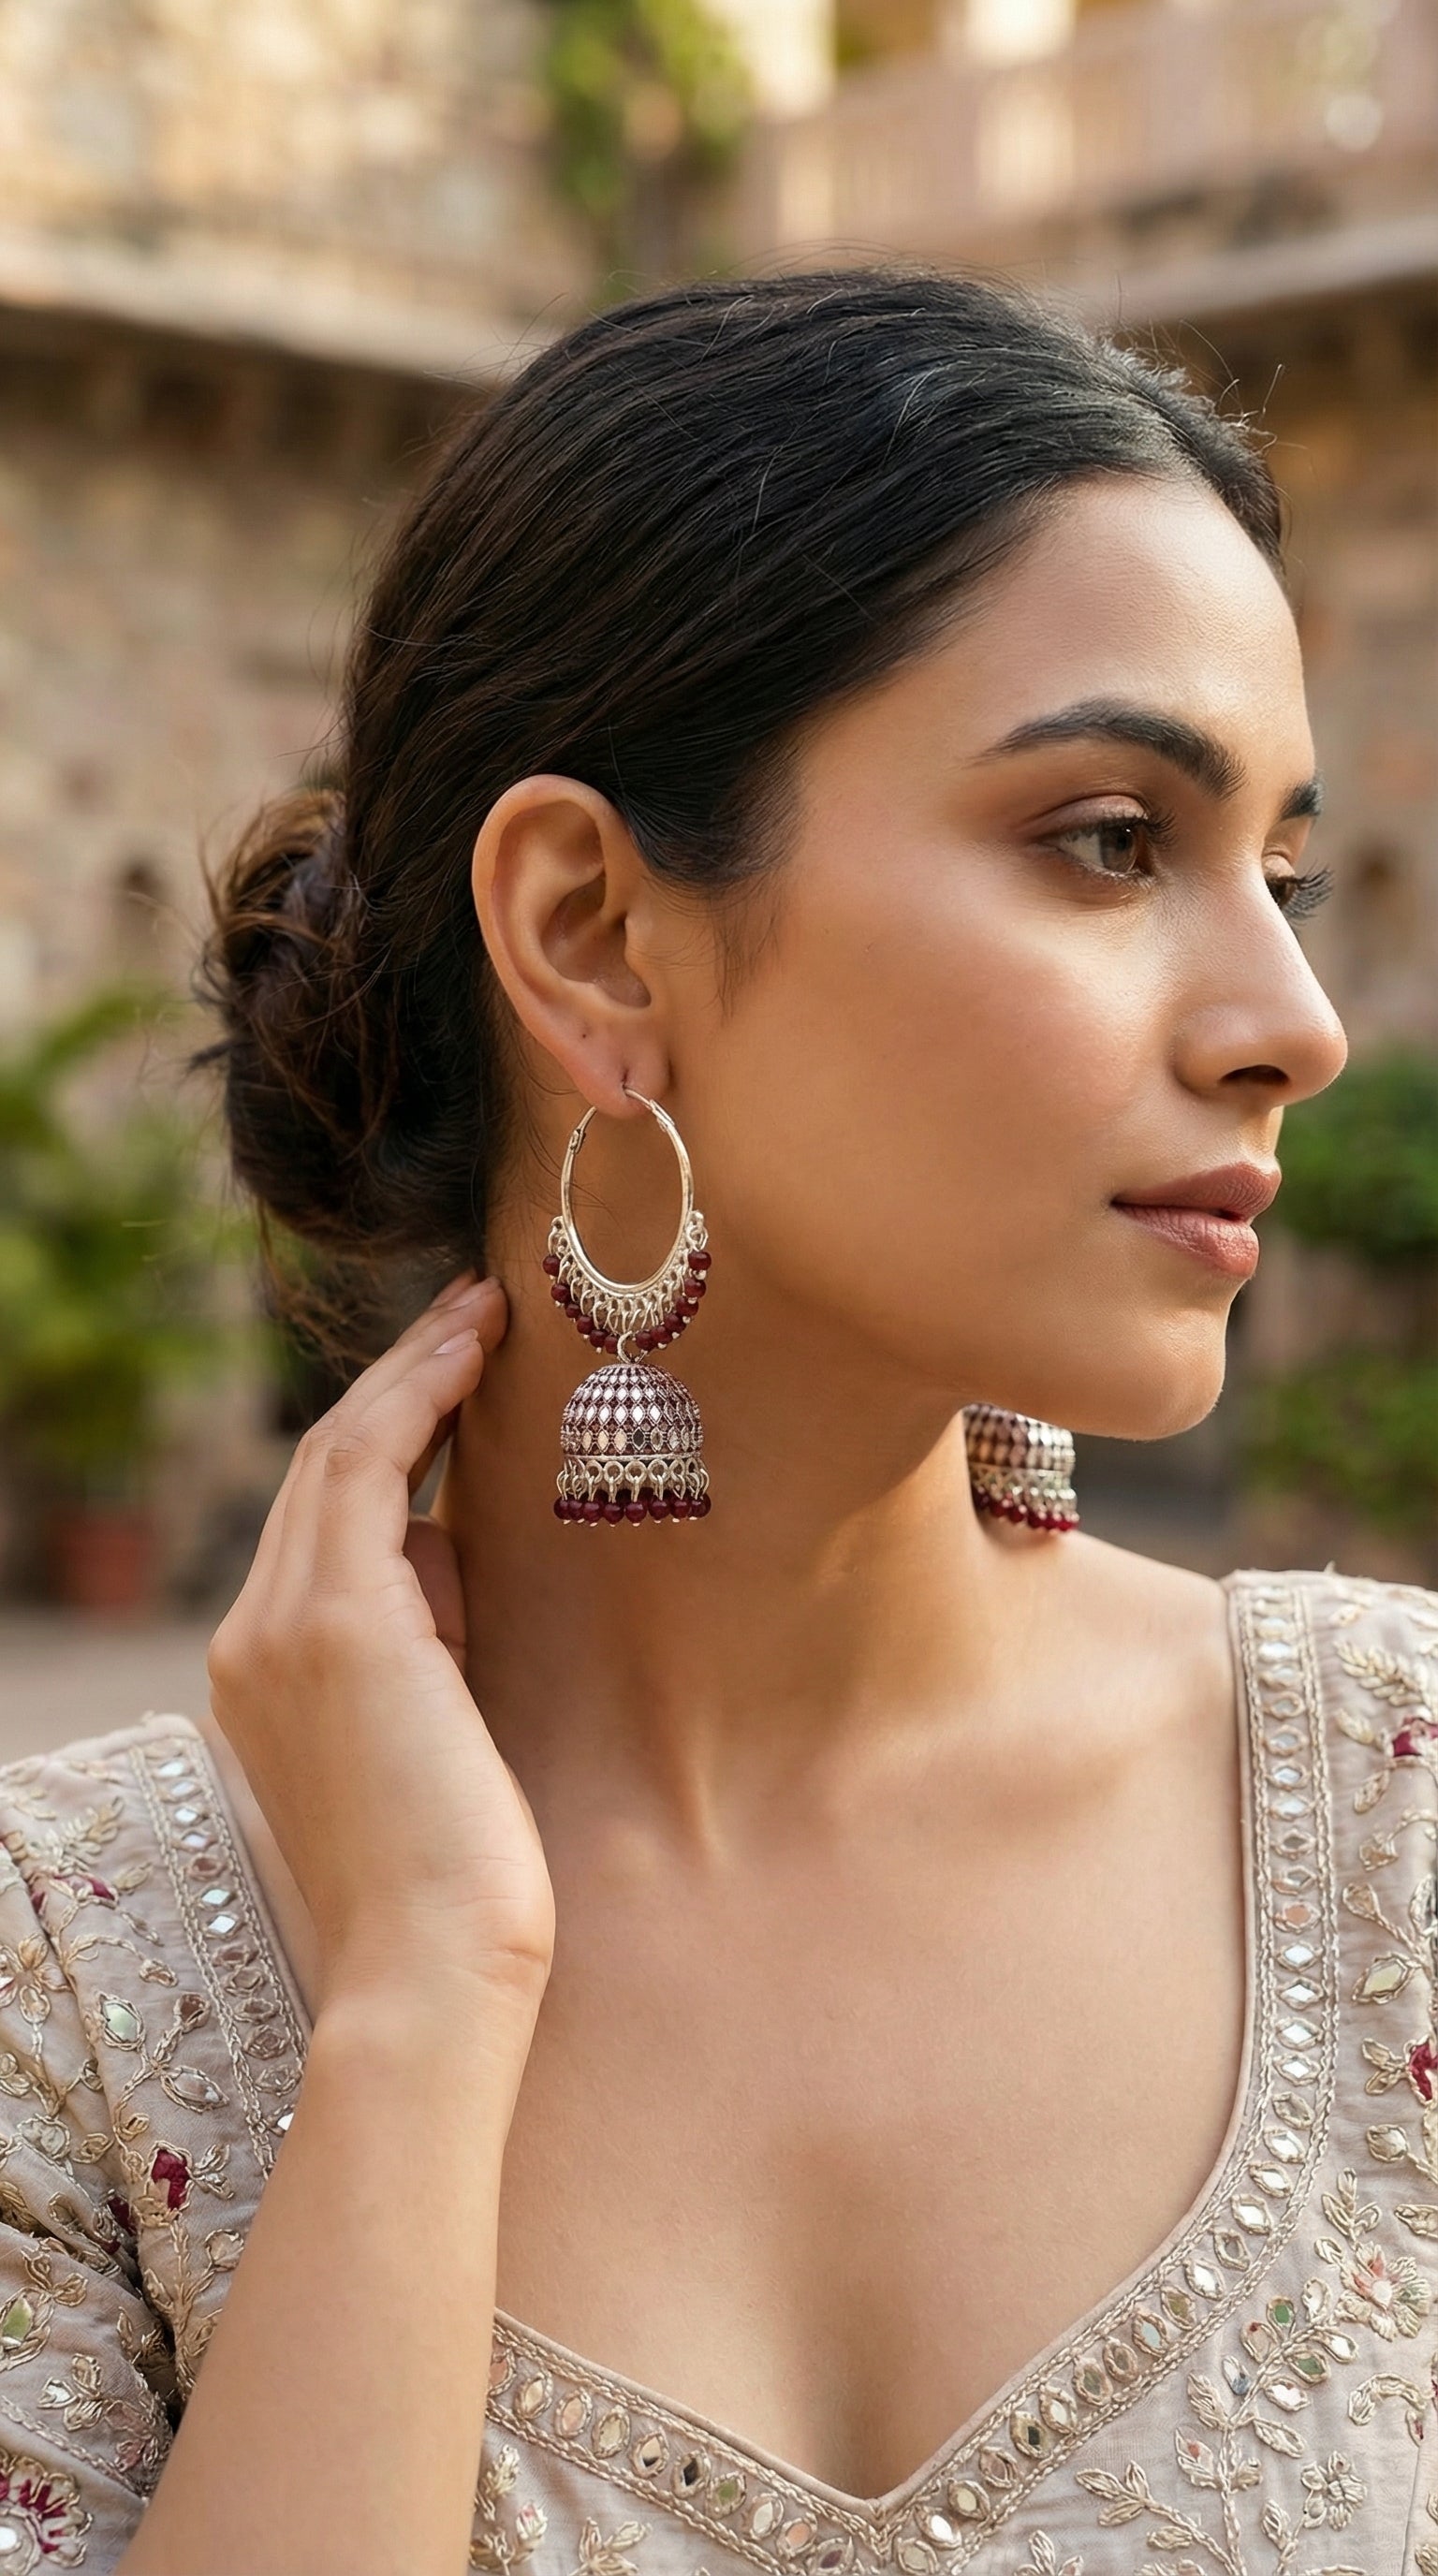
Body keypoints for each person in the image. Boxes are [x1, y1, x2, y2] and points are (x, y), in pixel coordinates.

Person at [0, 270, 1431, 2576]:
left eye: (1284, 868)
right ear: (589, 931)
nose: (1295, 1019)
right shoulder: (69, 1989)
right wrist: (413, 2005)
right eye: (1104, 838)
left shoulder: (1402, 1825)